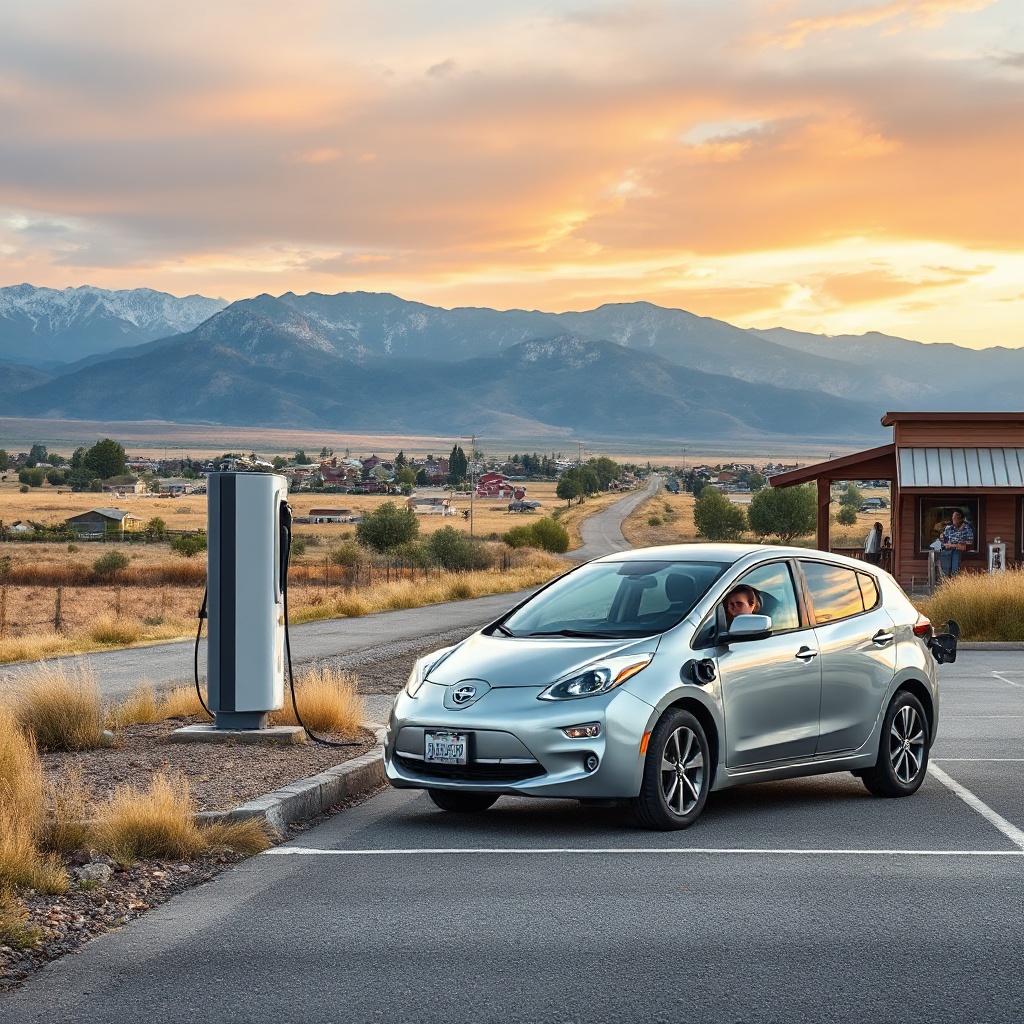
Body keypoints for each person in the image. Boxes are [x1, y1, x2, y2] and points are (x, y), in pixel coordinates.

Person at [939, 508, 974, 576]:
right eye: (953, 517)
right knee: (942, 554)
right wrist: (941, 537)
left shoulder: (967, 528)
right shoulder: (949, 528)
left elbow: (967, 546)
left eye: (955, 517)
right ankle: (946, 577)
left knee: (955, 553)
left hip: (959, 552)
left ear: (960, 518)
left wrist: (953, 546)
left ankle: (954, 577)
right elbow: (943, 542)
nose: (953, 519)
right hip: (947, 552)